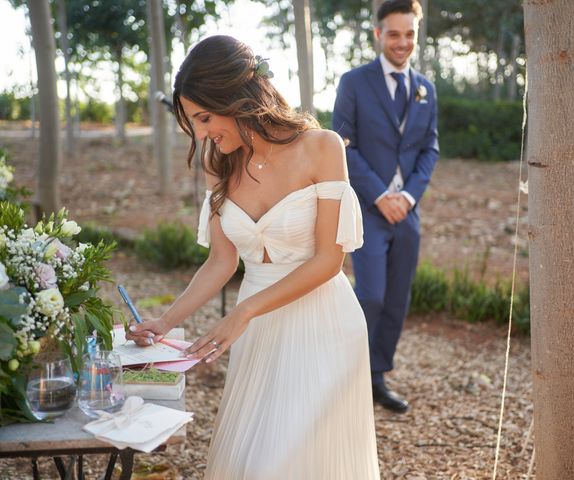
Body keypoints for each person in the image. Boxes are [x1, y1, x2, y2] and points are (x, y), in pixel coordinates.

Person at [125, 35, 380, 479]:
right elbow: (221, 262)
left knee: (285, 463)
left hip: (324, 327)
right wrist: (165, 323)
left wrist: (243, 311)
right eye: (192, 121)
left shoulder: (323, 147)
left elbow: (328, 262)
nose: (201, 133)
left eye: (204, 117)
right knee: (248, 461)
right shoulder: (218, 163)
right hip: (257, 332)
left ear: (237, 97)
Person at [332, 0, 439, 413]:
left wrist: (408, 197)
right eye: (394, 34)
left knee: (397, 299)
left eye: (409, 34)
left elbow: (430, 148)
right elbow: (342, 144)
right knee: (371, 295)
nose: (402, 42)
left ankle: (376, 377)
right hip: (368, 210)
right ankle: (349, 374)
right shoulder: (353, 82)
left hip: (407, 213)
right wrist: (380, 195)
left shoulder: (426, 88)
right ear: (378, 35)